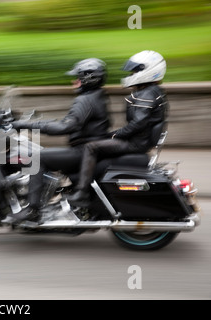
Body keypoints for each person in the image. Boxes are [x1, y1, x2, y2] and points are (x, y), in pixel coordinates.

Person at [1, 58, 111, 224]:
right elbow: (69, 121)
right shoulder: (98, 96)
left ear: (88, 79)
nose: (74, 82)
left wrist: (25, 125)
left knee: (37, 157)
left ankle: (33, 210)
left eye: (78, 78)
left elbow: (64, 127)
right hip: (89, 149)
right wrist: (39, 123)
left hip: (82, 152)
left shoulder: (85, 100)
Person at [66, 50, 169, 207]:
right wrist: (113, 134)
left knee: (91, 147)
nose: (132, 74)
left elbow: (138, 123)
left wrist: (117, 135)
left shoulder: (146, 94)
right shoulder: (152, 91)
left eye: (135, 70)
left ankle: (81, 192)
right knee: (101, 141)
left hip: (136, 143)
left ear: (150, 70)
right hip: (140, 140)